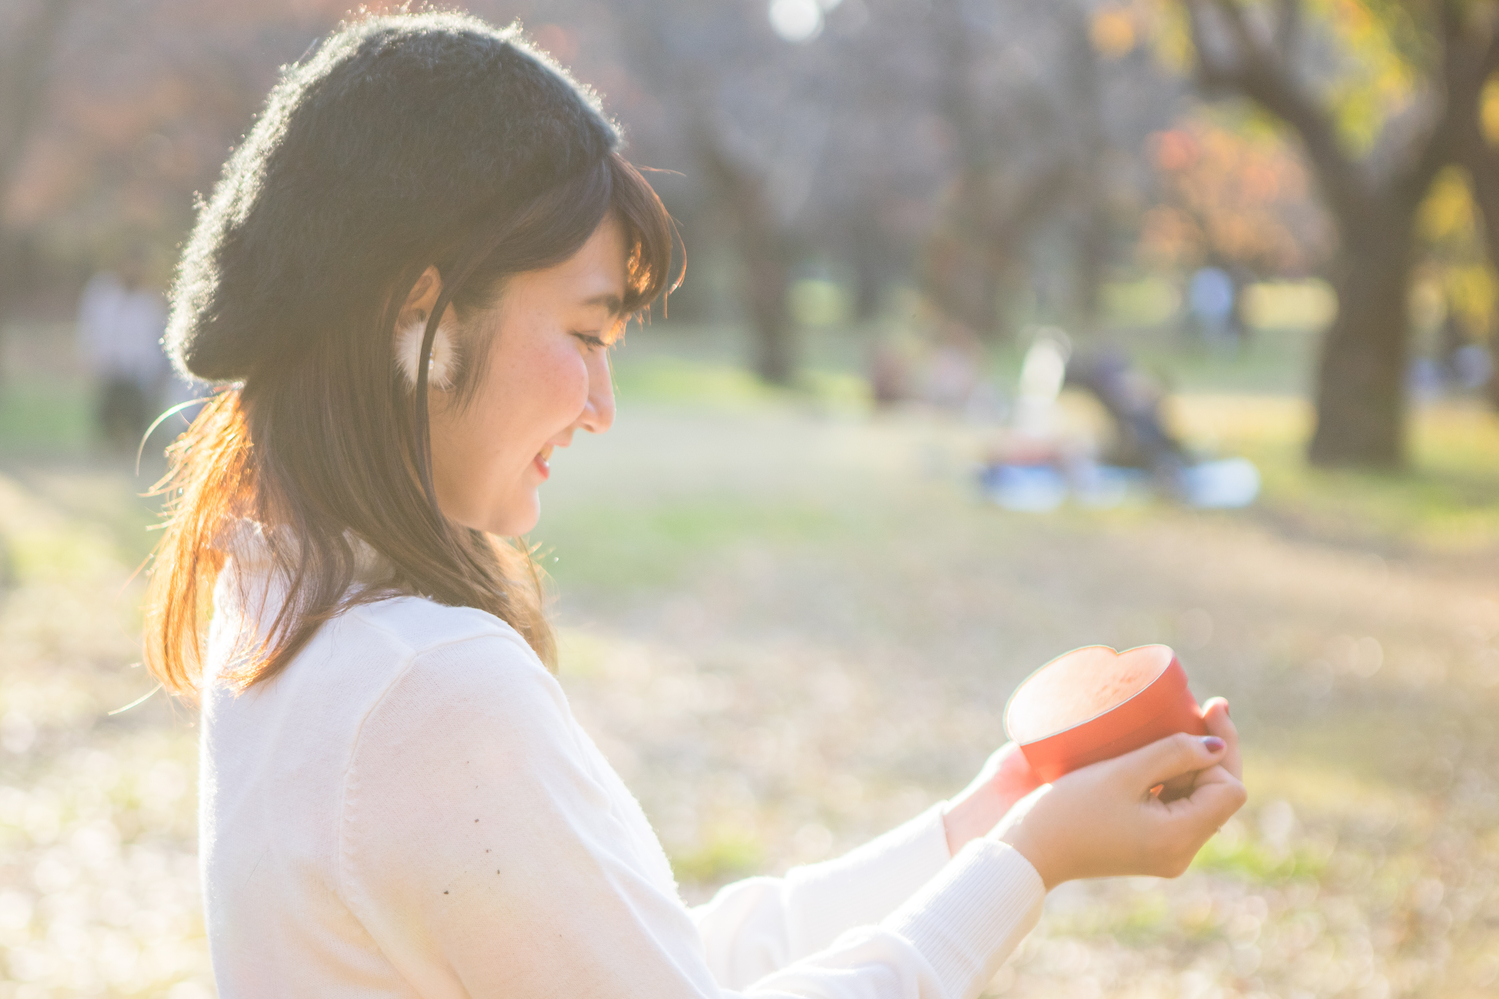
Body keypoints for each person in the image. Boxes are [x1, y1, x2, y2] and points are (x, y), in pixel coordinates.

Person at [142, 13, 1246, 997]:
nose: (600, 404)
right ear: (415, 311)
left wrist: (982, 823)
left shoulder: (288, 617)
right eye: (583, 335)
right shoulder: (423, 688)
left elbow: (644, 960)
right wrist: (1027, 863)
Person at [76, 250, 170, 449]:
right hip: (109, 368)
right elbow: (92, 328)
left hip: (139, 371)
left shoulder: (150, 300)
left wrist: (155, 369)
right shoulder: (103, 293)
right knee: (108, 419)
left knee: (137, 419)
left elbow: (153, 338)